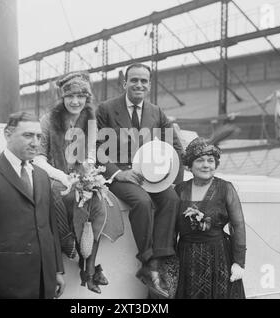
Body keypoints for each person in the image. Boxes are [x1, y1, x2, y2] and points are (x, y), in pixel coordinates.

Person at [96, 63, 184, 298]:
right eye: (134, 80)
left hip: (151, 176)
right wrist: (117, 173)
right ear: (124, 83)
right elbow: (95, 148)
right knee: (142, 202)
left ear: (149, 85)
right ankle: (147, 261)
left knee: (172, 199)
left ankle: (162, 257)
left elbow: (175, 147)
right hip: (121, 175)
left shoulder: (157, 112)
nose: (139, 85)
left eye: (144, 81)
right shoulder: (105, 109)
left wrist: (173, 180)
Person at [35, 71, 124, 294]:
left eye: (80, 96)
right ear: (62, 97)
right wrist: (63, 176)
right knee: (63, 196)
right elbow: (39, 157)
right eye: (70, 96)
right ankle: (77, 254)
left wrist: (88, 172)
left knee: (100, 199)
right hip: (55, 175)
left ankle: (90, 267)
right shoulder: (47, 120)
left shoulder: (90, 118)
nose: (75, 101)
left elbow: (92, 151)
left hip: (81, 173)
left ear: (87, 98)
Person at [0, 112, 65, 299]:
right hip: (7, 283)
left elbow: (50, 229)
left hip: (44, 281)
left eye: (39, 136)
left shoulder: (42, 177)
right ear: (8, 134)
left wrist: (57, 270)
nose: (35, 142)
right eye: (27, 135)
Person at [174, 137, 246, 299]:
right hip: (186, 258)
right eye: (200, 160)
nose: (206, 165)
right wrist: (168, 264)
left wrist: (239, 262)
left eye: (210, 161)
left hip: (219, 258)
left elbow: (237, 225)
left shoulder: (225, 188)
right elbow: (172, 230)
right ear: (190, 166)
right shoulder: (180, 190)